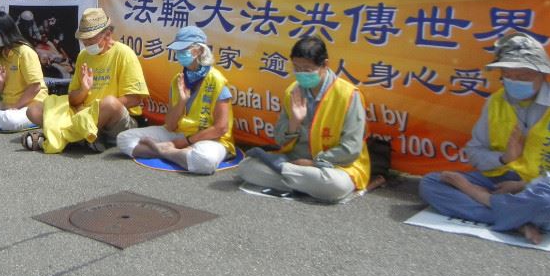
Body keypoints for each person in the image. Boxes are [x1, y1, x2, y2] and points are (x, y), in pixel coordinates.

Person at [418, 33, 550, 245]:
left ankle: (488, 202)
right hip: (502, 179)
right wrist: (505, 159)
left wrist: (527, 185)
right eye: (509, 75)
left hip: (546, 187)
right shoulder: (496, 101)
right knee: (432, 183)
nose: (515, 81)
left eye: (524, 75)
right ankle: (519, 221)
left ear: (543, 74)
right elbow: (475, 152)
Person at [237, 36, 370, 202]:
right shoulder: (293, 91)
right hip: (294, 162)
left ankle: (295, 180)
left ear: (325, 65)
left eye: (307, 70)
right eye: (296, 68)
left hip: (333, 167)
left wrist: (313, 163)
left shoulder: (349, 95)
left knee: (336, 185)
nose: (301, 74)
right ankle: (303, 183)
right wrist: (294, 121)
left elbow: (351, 149)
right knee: (247, 168)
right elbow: (279, 140)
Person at [24, 8, 148, 153]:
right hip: (82, 114)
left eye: (91, 39)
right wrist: (83, 89)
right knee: (34, 110)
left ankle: (65, 137)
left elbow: (135, 98)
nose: (86, 43)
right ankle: (82, 137)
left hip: (112, 120)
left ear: (107, 34)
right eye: (84, 39)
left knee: (110, 103)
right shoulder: (84, 55)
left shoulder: (124, 53)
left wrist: (92, 112)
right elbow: (73, 100)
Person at [116, 26, 234, 175]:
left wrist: (186, 142)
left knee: (204, 161)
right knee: (124, 139)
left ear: (199, 51)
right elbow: (170, 125)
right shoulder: (178, 80)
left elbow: (220, 128)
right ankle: (172, 152)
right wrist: (182, 101)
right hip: (179, 133)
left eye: (183, 49)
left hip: (210, 139)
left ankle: (166, 151)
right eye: (178, 50)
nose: (179, 54)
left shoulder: (217, 80)